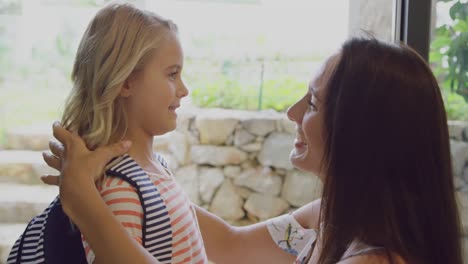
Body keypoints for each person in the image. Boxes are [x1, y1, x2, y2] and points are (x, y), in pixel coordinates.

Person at [41, 36, 463, 263]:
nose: (291, 111)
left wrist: (85, 208)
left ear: (362, 132)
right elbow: (232, 245)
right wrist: (139, 170)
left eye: (313, 103)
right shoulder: (326, 219)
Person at [20, 2, 209, 264]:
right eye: (172, 74)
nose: (183, 89)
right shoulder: (121, 190)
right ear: (126, 81)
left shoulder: (154, 171)